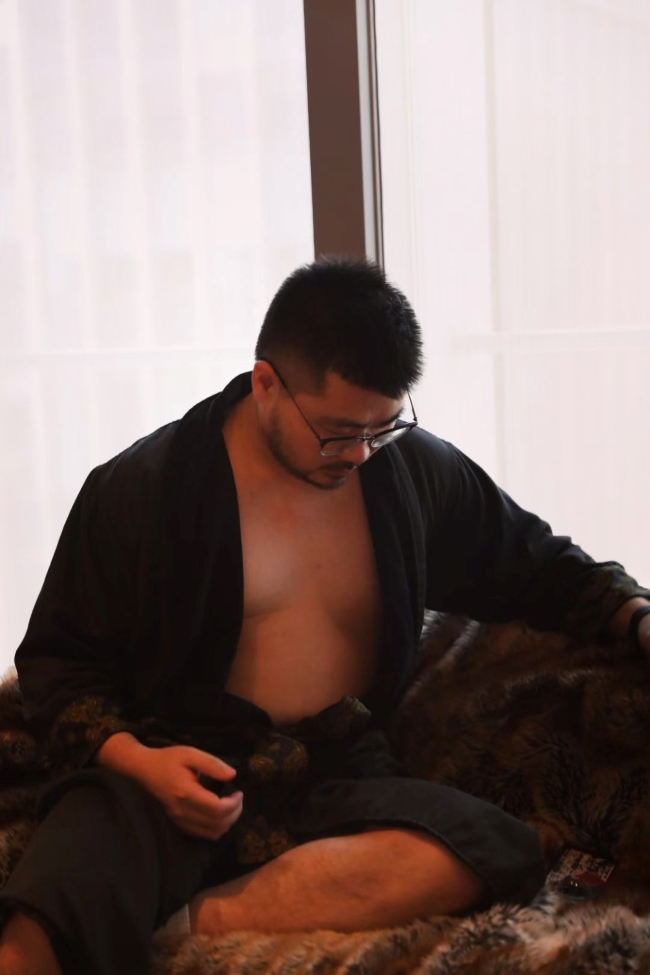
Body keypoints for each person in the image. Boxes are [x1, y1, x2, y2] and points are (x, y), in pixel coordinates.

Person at [0, 257, 648, 975]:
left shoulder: (407, 472)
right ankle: (129, 898)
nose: (360, 453)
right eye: (337, 431)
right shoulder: (142, 486)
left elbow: (534, 560)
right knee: (39, 924)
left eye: (384, 427)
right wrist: (141, 763)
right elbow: (58, 663)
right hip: (175, 763)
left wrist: (634, 613)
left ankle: (185, 919)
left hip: (333, 768)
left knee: (487, 849)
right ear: (266, 384)